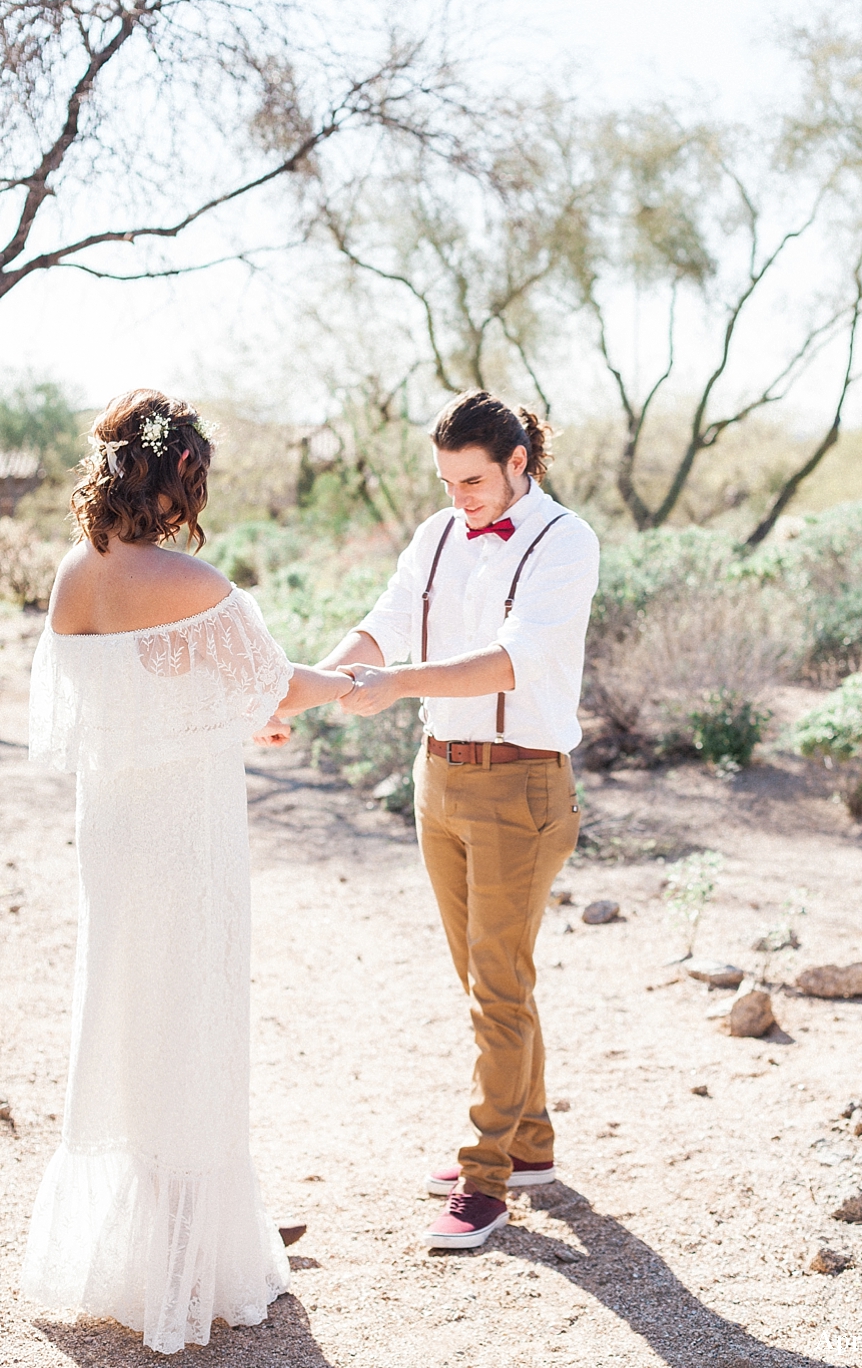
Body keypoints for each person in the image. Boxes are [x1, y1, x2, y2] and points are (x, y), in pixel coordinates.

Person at [21, 389, 355, 1355]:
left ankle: (133, 1248)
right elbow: (279, 685)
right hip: (187, 841)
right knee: (192, 1021)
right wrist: (356, 685)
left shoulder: (74, 579)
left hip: (114, 841)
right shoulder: (195, 581)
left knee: (124, 1021)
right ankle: (189, 1256)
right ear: (178, 478)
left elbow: (139, 691)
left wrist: (242, 706)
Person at [311, 390, 600, 1249]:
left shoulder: (565, 540)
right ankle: (533, 1144)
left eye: (472, 480)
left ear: (519, 463)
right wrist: (317, 685)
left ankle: (487, 1177)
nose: (458, 499)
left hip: (523, 789)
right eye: (446, 482)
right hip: (436, 780)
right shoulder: (439, 534)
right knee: (489, 981)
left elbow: (512, 660)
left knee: (497, 988)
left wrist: (397, 683)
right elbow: (388, 620)